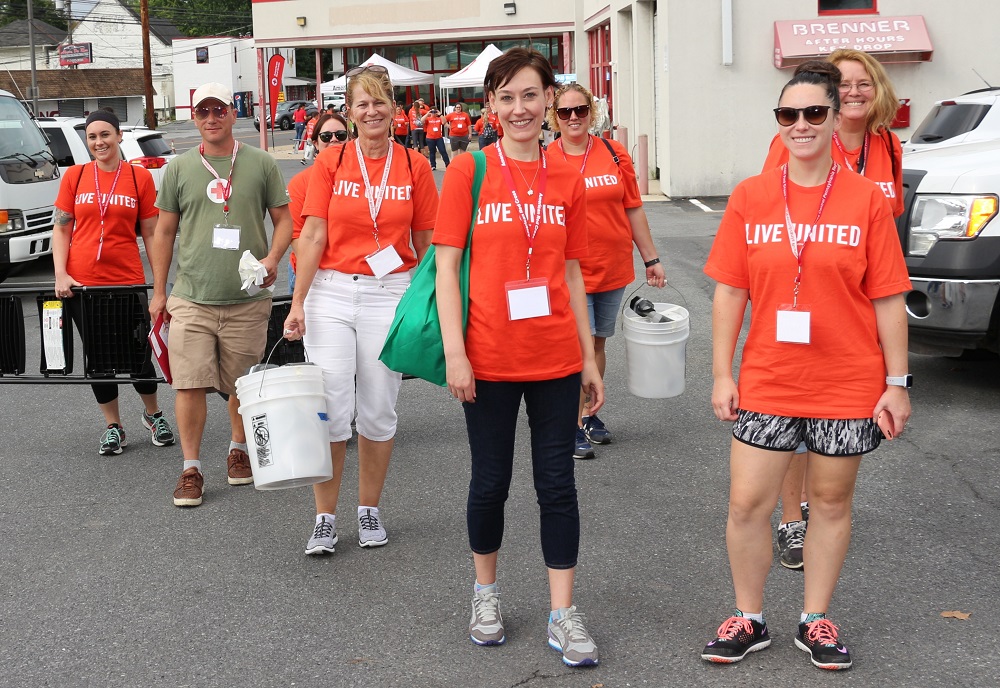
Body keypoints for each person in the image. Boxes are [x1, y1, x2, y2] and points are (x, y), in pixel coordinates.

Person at [700, 62, 911, 671]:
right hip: (767, 378)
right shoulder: (751, 196)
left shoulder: (866, 200)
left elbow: (888, 297)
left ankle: (815, 618)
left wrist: (896, 384)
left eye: (814, 112)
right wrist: (721, 372)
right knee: (746, 504)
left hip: (847, 382)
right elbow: (730, 293)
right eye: (787, 115)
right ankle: (750, 616)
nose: (801, 125)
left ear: (834, 114)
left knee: (831, 501)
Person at [435, 47, 603, 668]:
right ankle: (486, 593)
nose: (519, 109)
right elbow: (447, 266)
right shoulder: (468, 172)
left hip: (556, 356)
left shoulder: (568, 177)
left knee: (558, 485)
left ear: (550, 101)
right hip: (489, 357)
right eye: (505, 97)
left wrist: (588, 358)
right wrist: (456, 352)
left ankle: (563, 611)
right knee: (491, 482)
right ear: (491, 107)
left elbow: (574, 272)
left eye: (530, 95)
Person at [283, 64, 438, 555]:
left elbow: (427, 244)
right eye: (362, 104)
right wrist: (298, 301)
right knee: (330, 410)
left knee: (378, 409)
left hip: (389, 291)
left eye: (380, 102)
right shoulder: (333, 161)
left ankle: (369, 509)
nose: (371, 111)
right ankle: (324, 518)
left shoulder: (415, 166)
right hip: (330, 290)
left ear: (394, 109)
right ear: (348, 112)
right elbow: (312, 234)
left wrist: (425, 302)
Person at [761, 51, 906, 571]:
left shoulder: (886, 145)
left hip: (858, 304)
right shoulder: (802, 139)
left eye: (865, 83)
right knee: (797, 416)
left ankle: (824, 510)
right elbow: (772, 220)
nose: (855, 92)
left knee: (837, 415)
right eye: (844, 84)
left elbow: (889, 221)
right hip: (803, 303)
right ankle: (792, 518)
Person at [149, 82, 292, 507]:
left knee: (240, 387)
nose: (211, 118)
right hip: (191, 297)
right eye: (203, 112)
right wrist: (160, 291)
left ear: (233, 114)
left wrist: (273, 259)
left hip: (247, 299)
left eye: (219, 110)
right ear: (194, 118)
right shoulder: (177, 168)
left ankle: (238, 449)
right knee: (189, 385)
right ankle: (191, 468)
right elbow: (165, 231)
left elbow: (284, 220)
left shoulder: (261, 163)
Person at [548, 83, 665, 460]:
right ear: (555, 117)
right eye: (565, 112)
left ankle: (587, 414)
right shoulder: (546, 157)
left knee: (596, 343)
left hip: (611, 267)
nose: (574, 117)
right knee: (571, 347)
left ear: (591, 112)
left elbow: (632, 208)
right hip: (567, 272)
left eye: (580, 109)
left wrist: (651, 259)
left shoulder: (614, 154)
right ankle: (568, 424)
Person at [52, 109, 175, 456]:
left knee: (138, 353)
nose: (99, 142)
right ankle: (113, 425)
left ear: (119, 136)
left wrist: (159, 286)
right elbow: (61, 229)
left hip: (126, 280)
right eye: (92, 137)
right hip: (84, 285)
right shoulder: (75, 177)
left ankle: (154, 416)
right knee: (99, 358)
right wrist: (61, 273)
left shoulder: (138, 179)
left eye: (105, 134)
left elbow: (152, 233)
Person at [286, 113, 351, 293]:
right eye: (326, 136)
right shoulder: (300, 183)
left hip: (353, 274)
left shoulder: (364, 180)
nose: (334, 140)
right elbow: (297, 238)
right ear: (315, 143)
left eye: (341, 135)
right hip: (313, 274)